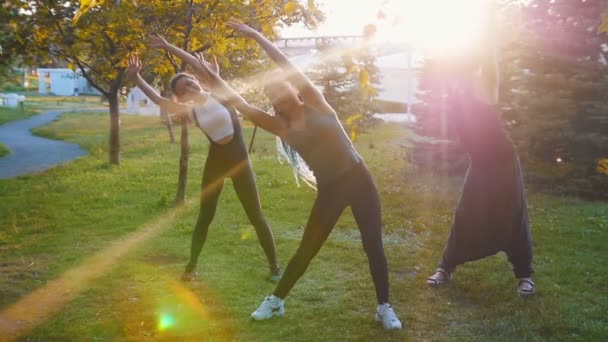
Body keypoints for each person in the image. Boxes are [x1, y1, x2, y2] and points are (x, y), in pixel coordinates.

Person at [192, 19, 402, 330]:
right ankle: (276, 301)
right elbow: (242, 105)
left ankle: (384, 307)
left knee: (373, 244)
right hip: (330, 189)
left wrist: (256, 36)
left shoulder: (317, 102)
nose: (279, 93)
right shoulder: (282, 127)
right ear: (274, 102)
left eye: (281, 86)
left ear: (293, 87)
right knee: (307, 248)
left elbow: (284, 62)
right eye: (272, 93)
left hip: (359, 180)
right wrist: (212, 78)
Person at [126, 37, 281, 283]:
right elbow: (159, 100)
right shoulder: (191, 110)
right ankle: (191, 267)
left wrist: (168, 46)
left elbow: (196, 64)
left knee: (255, 215)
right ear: (181, 97)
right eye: (183, 89)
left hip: (239, 163)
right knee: (205, 216)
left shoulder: (219, 93)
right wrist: (137, 78)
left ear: (197, 81)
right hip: (216, 165)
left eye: (190, 82)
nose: (189, 87)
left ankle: (274, 266)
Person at [425, 6, 535, 296]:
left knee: (512, 215)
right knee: (466, 214)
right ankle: (446, 267)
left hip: (502, 161)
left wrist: (488, 20)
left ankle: (524, 275)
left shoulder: (486, 86)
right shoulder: (458, 89)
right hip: (480, 162)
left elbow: (490, 58)